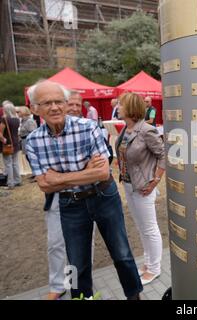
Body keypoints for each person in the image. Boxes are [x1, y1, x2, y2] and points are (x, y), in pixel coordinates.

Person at [26, 80, 143, 300]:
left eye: (58, 101)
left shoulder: (87, 127)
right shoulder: (32, 141)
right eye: (47, 103)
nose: (54, 107)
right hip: (70, 204)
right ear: (35, 108)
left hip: (104, 196)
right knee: (75, 263)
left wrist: (58, 178)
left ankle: (135, 297)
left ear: (66, 102)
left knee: (122, 253)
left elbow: (102, 173)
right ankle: (81, 298)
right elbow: (43, 184)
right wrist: (84, 171)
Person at [116, 93, 165, 285]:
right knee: (141, 226)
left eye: (121, 104)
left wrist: (155, 181)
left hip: (143, 187)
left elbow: (163, 155)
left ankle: (154, 268)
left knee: (150, 228)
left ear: (130, 108)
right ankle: (148, 263)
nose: (117, 107)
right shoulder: (126, 130)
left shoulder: (146, 130)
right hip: (129, 184)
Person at [0, 102, 22, 189]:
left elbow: (0, 133)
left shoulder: (4, 119)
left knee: (8, 164)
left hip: (7, 144)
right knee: (15, 163)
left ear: (5, 110)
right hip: (15, 143)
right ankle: (17, 180)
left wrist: (3, 140)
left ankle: (10, 183)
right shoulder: (17, 119)